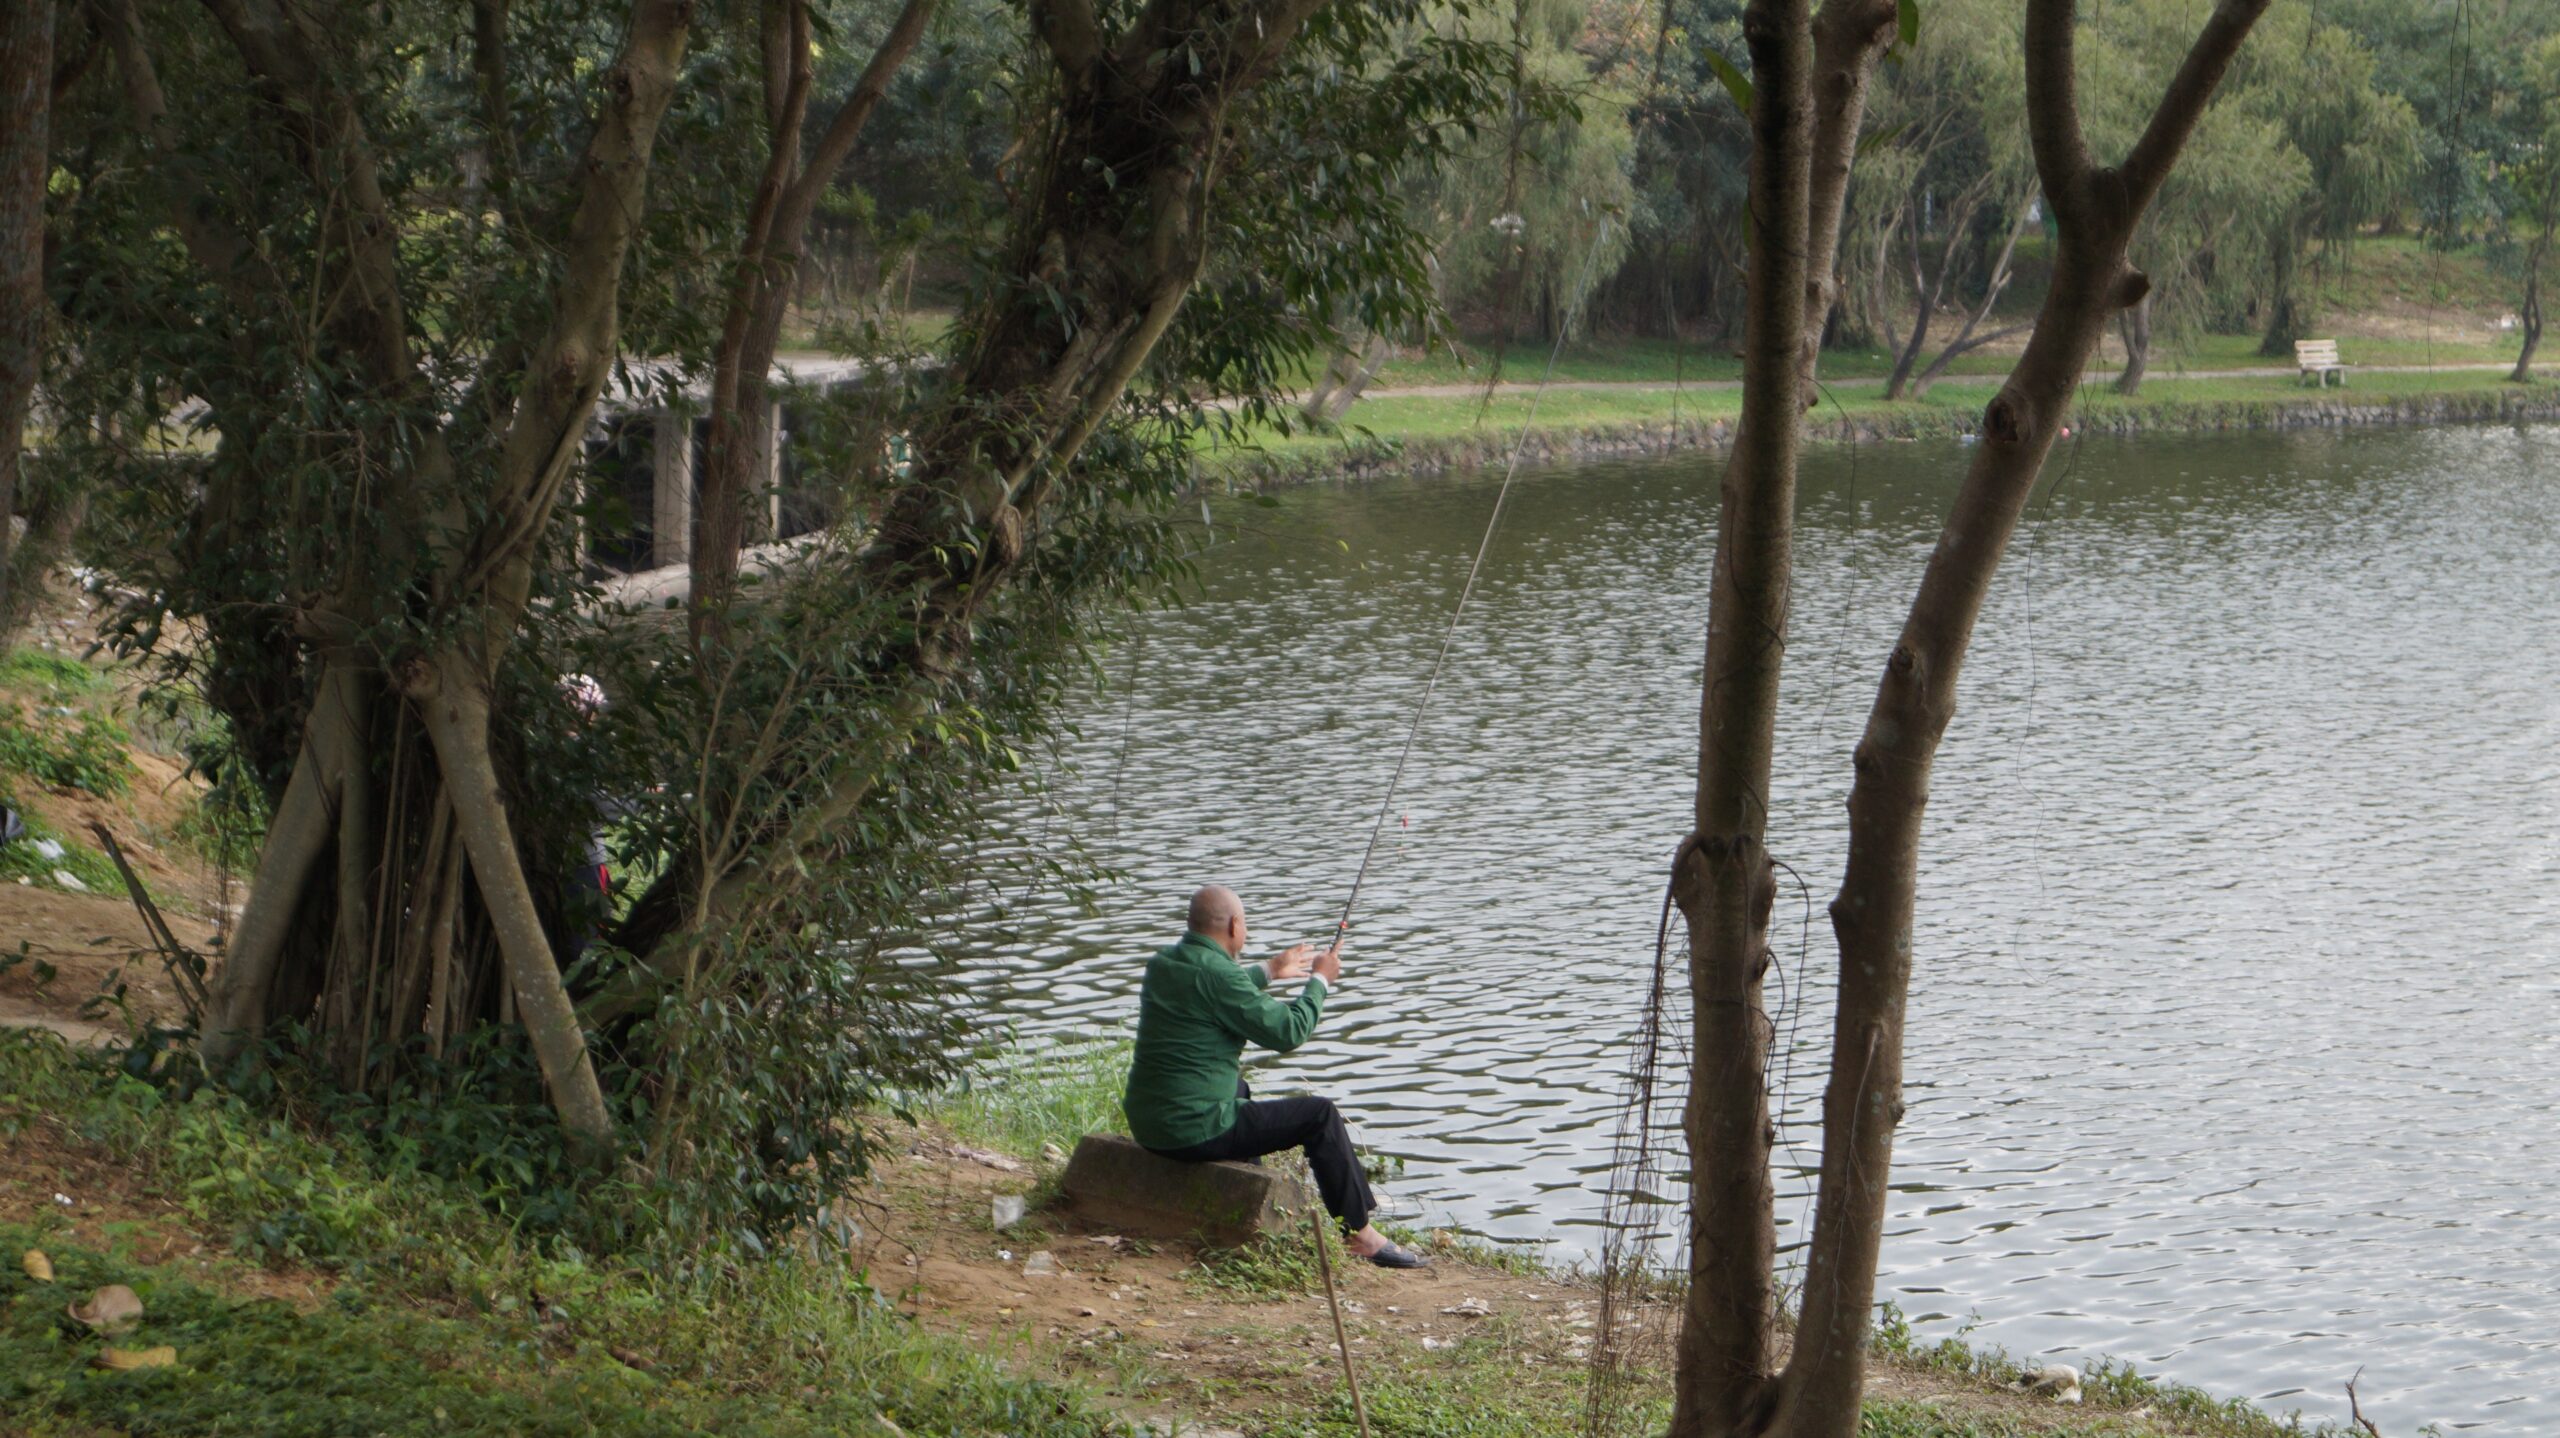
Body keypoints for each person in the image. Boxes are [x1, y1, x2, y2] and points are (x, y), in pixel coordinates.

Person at [1120, 884, 1426, 1268]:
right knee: (1319, 1116)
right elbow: (1288, 1031)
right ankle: (1360, 1235)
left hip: (1149, 1124)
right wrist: (1321, 981)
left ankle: (1252, 1202)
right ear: (1234, 925)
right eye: (1244, 923)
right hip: (1189, 1131)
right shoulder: (1221, 977)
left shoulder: (1164, 963)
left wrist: (1269, 970)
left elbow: (1210, 986)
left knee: (1239, 1088)